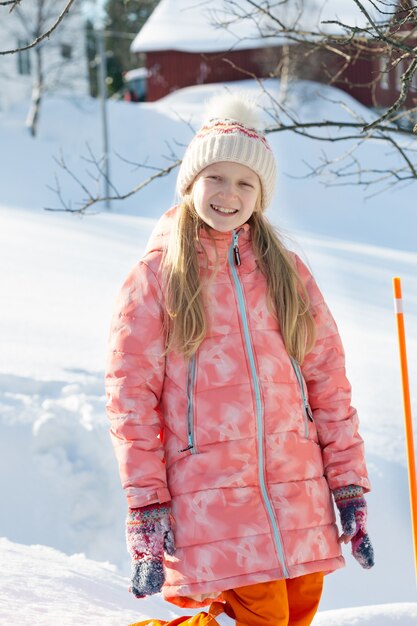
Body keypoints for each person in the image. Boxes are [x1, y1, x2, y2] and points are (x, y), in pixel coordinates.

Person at [105, 94, 374, 626]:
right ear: (190, 182)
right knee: (257, 618)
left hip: (298, 493)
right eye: (216, 177)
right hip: (211, 500)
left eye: (245, 182)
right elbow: (129, 402)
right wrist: (146, 508)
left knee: (295, 615)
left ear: (261, 194)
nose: (229, 194)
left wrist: (348, 485)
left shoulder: (287, 272)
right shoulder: (156, 278)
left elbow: (328, 384)